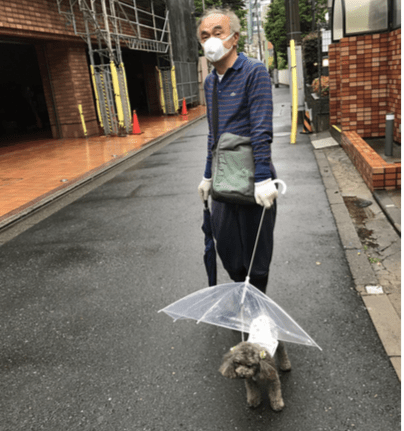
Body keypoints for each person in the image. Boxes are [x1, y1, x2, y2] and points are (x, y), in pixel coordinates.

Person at [197, 8, 278, 294]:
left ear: (234, 37)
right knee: (228, 249)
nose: (211, 41)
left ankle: (257, 308)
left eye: (217, 33)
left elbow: (260, 129)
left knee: (257, 251)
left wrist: (264, 178)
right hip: (222, 177)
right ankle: (242, 292)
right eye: (204, 36)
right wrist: (207, 176)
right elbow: (213, 135)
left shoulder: (253, 71)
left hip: (252, 176)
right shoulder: (210, 83)